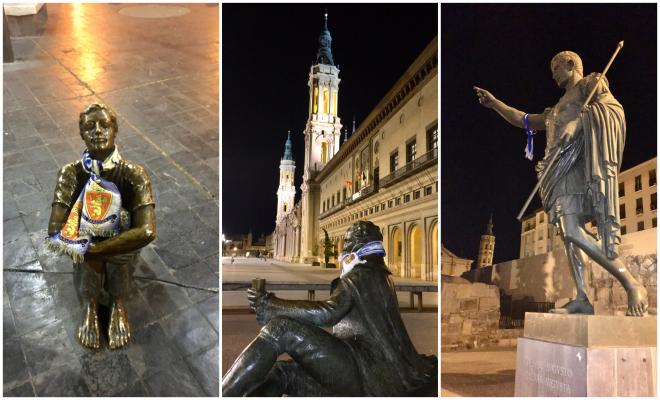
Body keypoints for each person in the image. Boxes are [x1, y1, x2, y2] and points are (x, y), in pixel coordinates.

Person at [474, 50, 647, 316]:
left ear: (570, 64)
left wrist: (578, 123)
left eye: (555, 68)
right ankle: (582, 297)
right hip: (554, 172)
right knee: (570, 237)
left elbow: (613, 110)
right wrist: (496, 103)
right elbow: (524, 120)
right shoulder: (555, 109)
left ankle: (631, 282)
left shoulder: (591, 84)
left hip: (576, 167)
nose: (553, 74)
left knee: (571, 232)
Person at [221, 221, 436, 396]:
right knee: (282, 372)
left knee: (281, 329)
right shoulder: (380, 275)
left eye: (347, 243)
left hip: (367, 372)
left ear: (356, 247)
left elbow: (328, 313)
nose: (343, 250)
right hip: (370, 366)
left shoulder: (362, 274)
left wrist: (272, 306)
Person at [47, 103, 157, 349]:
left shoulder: (134, 174)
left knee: (124, 220)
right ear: (82, 134)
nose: (97, 131)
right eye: (89, 127)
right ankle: (90, 304)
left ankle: (118, 301)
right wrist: (85, 244)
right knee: (85, 222)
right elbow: (54, 229)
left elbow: (147, 230)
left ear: (114, 130)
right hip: (87, 244)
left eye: (104, 125)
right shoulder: (70, 173)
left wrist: (99, 250)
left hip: (113, 245)